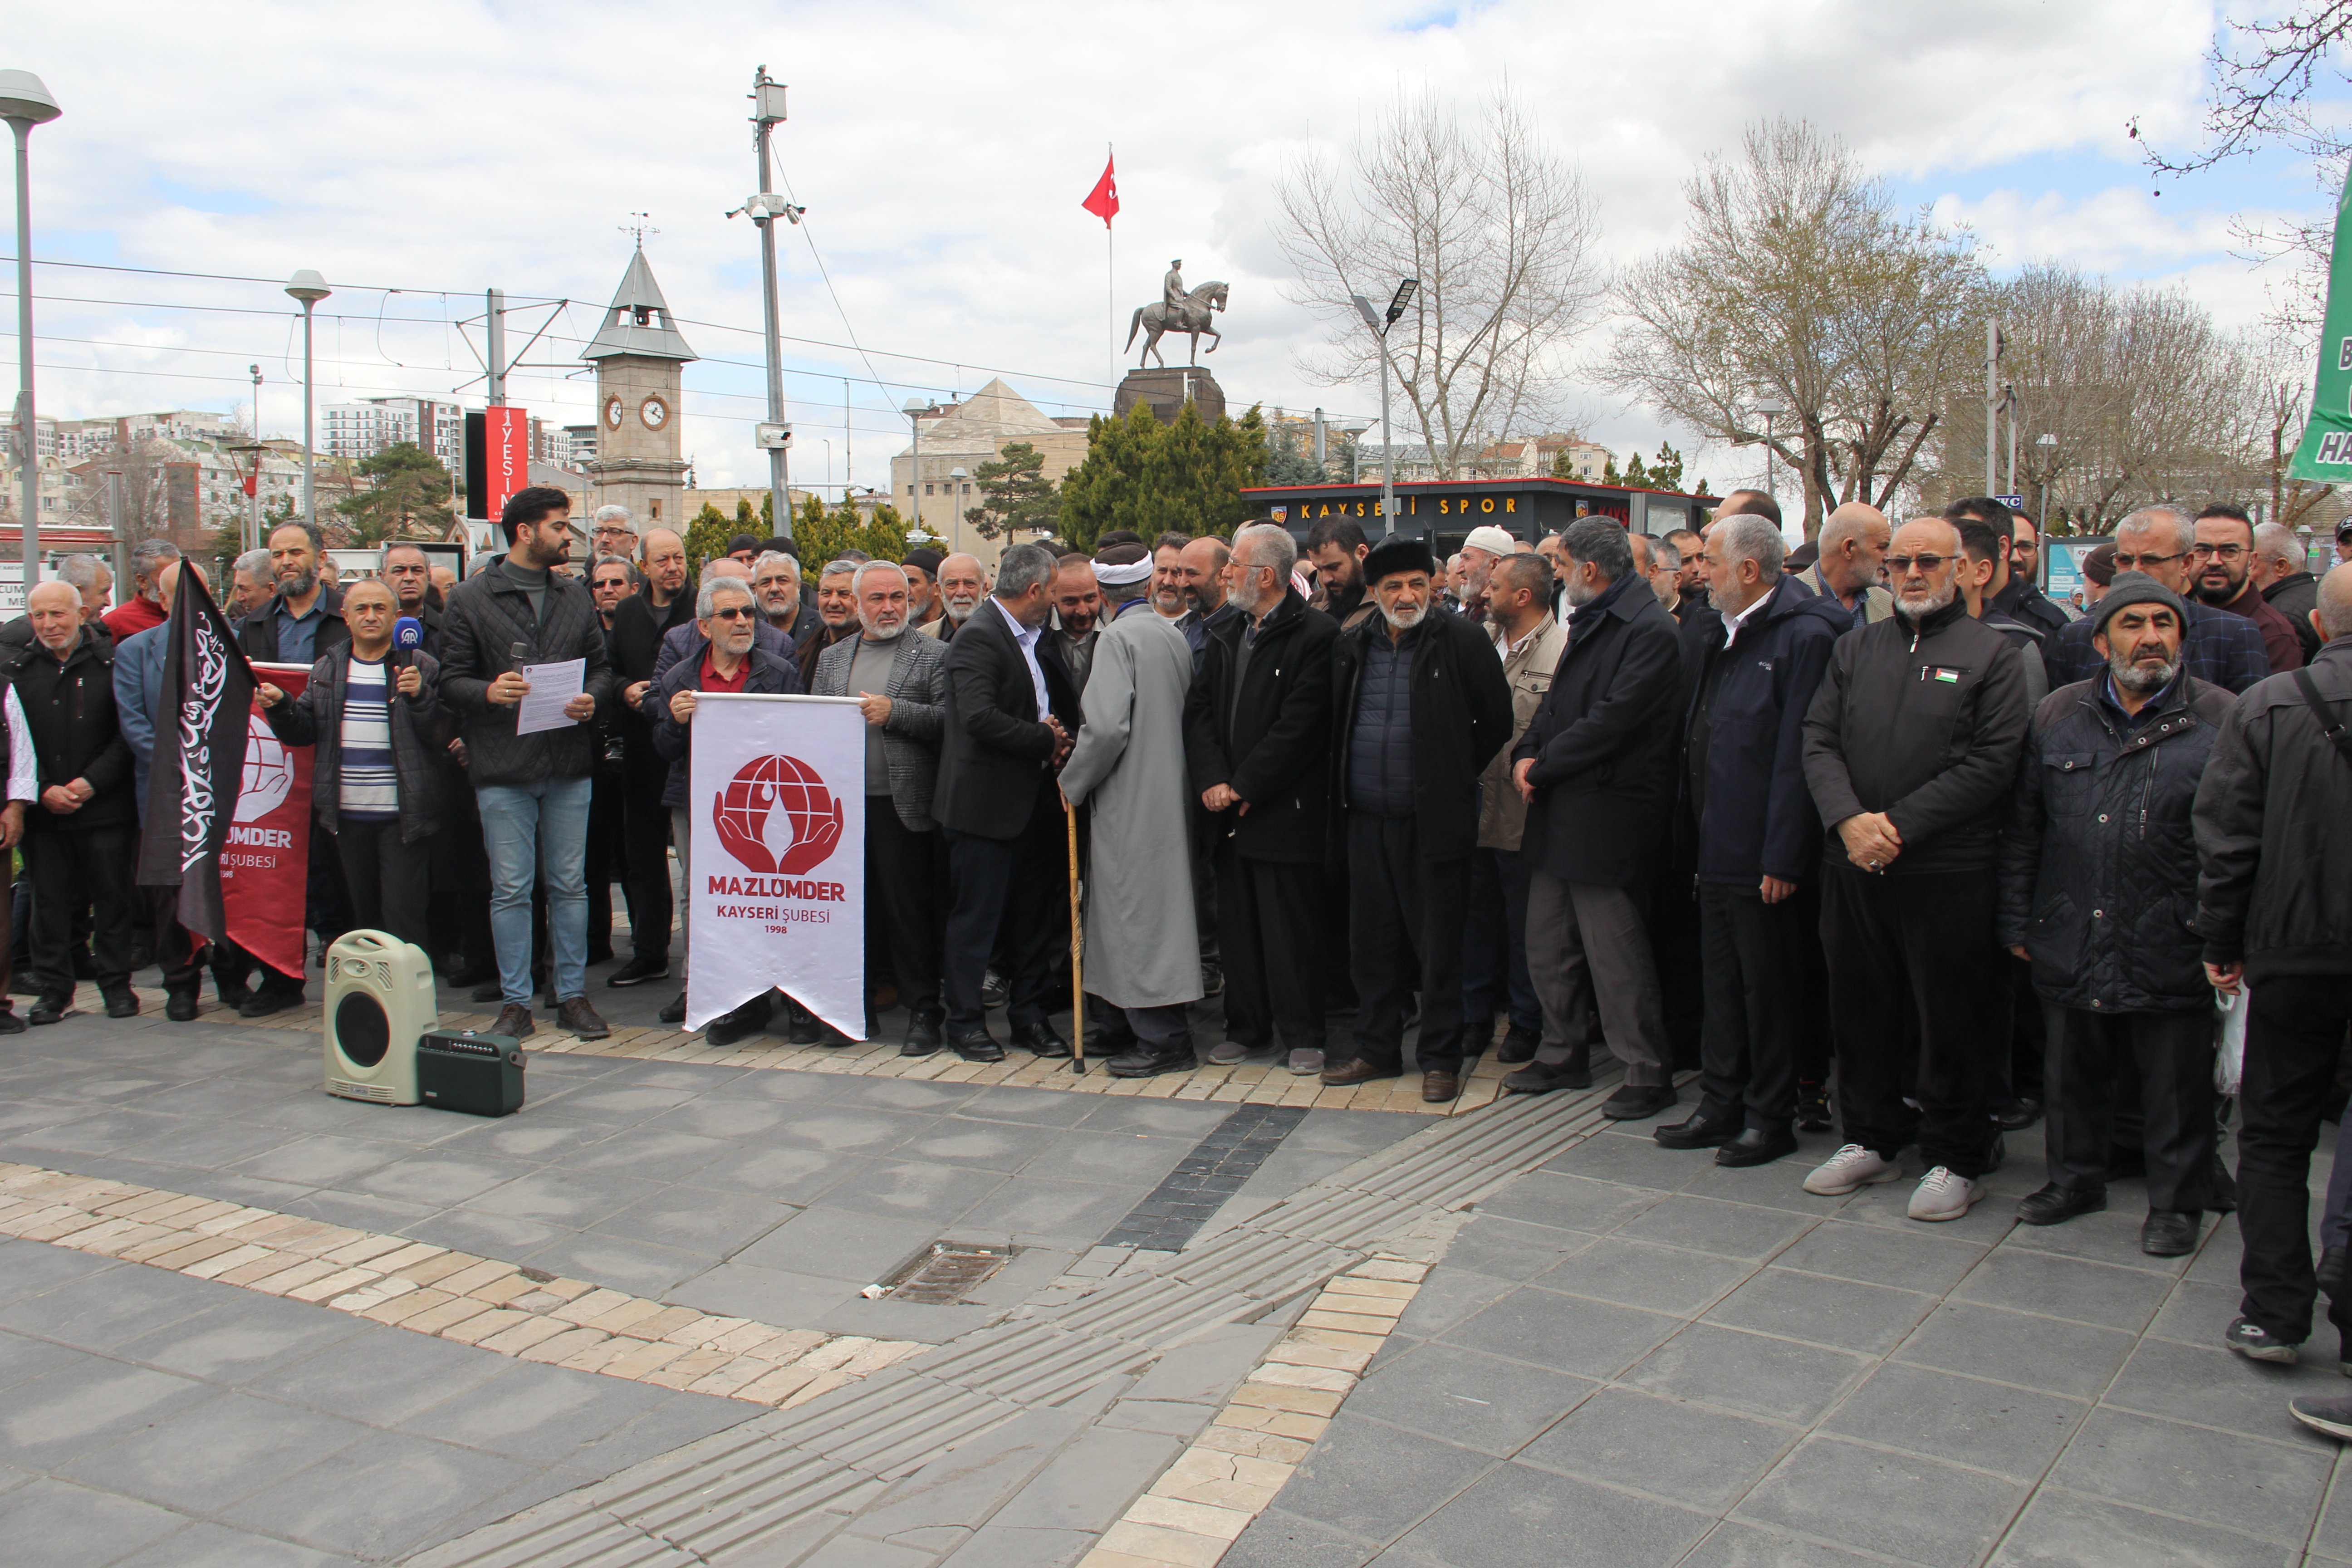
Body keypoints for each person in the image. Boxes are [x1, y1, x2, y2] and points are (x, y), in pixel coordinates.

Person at [1799, 517, 2029, 1220]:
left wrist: (1897, 826)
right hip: (1856, 864)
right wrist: (1847, 819)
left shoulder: (1994, 655)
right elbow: (1818, 738)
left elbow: (1993, 762)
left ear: (1964, 569)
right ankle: (1871, 1135)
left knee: (1951, 1016)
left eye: (1929, 561)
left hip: (1947, 870)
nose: (1912, 574)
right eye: (1899, 562)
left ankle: (1957, 1153)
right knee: (1861, 1007)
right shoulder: (1857, 647)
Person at [1997, 574, 2226, 1255]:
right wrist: (2017, 920)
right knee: (2071, 1073)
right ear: (2101, 640)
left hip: (2173, 929)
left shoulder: (2224, 718)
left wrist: (2222, 929)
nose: (2150, 636)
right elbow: (2024, 828)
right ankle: (2075, 1181)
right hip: (2071, 921)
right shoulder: (2058, 715)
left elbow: (2240, 838)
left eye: (2164, 622)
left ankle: (2177, 1203)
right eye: (2132, 624)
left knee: (2177, 1083)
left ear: (2182, 635)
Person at [2195, 564, 2352, 1388]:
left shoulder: (2267, 705)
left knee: (2272, 1128)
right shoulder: (2268, 704)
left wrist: (2219, 939)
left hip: (2289, 948)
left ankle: (2273, 1308)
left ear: (2319, 627)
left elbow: (2225, 839)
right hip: (2294, 940)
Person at [1653, 515, 1847, 1165]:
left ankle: (1771, 1114)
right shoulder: (1722, 629)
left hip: (1766, 853)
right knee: (1723, 983)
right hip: (1716, 843)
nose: (1697, 571)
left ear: (1748, 569)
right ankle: (1721, 1102)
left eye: (1708, 560)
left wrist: (1784, 853)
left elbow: (1801, 752)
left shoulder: (1806, 634)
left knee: (1769, 990)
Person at [1505, 519, 1685, 1115]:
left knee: (1616, 955)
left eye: (1561, 564)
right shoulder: (1595, 618)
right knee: (1548, 943)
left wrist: (1543, 765)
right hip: (1561, 810)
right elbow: (1558, 706)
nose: (1554, 574)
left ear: (1590, 569)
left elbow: (1615, 720)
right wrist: (1528, 753)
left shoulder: (1649, 630)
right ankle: (1563, 1051)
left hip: (1609, 818)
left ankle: (1645, 1068)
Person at [1326, 535, 1513, 1103]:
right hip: (1365, 817)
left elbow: (1496, 721)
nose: (1406, 596)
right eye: (1393, 587)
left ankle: (1440, 1058)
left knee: (1438, 946)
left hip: (1433, 821)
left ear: (1430, 587)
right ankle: (1376, 1050)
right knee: (1373, 943)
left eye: (1415, 585)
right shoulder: (1354, 644)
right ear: (1375, 592)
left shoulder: (1461, 642)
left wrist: (1451, 771)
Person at [438, 486, 617, 1042]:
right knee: (511, 889)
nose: (569, 536)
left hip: (567, 762)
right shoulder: (471, 599)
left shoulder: (573, 596)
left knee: (570, 886)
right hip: (503, 768)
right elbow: (449, 681)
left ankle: (571, 995)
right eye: (560, 527)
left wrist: (593, 696)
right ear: (526, 532)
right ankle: (516, 1003)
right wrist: (489, 692)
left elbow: (603, 669)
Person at [1187, 524, 1339, 1073]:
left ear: (1266, 576)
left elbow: (1301, 726)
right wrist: (1212, 778)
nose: (1224, 574)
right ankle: (1246, 1028)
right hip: (1225, 811)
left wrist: (1247, 784)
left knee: (1290, 929)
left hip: (1283, 813)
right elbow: (1199, 709)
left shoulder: (1317, 635)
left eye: (1234, 566)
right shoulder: (1227, 629)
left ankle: (1303, 1033)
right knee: (1239, 928)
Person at [933, 542, 1079, 1062]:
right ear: (1036, 590)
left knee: (1035, 922)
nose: (1060, 603)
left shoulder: (1036, 638)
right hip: (984, 811)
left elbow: (1044, 703)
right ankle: (967, 1023)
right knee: (978, 921)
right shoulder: (979, 638)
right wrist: (1046, 740)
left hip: (1035, 804)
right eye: (1056, 592)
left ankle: (1030, 1018)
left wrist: (1058, 736)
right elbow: (978, 717)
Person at [1060, 543, 1201, 1076]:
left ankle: (1163, 1039)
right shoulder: (1172, 633)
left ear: (1100, 596)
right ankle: (1127, 1025)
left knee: (1134, 916)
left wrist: (1071, 783)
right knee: (1148, 915)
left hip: (1130, 798)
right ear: (1147, 585)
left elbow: (1106, 729)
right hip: (1171, 793)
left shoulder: (1117, 640)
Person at [651, 576, 804, 1046]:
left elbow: (799, 739)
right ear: (703, 626)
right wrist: (675, 722)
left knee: (773, 899)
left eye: (748, 613)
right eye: (730, 614)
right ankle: (736, 1000)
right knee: (713, 900)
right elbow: (664, 749)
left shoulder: (779, 671)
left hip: (767, 810)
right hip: (701, 804)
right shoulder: (680, 678)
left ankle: (789, 998)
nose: (743, 622)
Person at [255, 578, 445, 954]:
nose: (371, 617)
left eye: (380, 609)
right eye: (361, 609)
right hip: (346, 816)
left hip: (403, 816)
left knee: (403, 917)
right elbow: (304, 731)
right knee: (363, 920)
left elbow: (440, 735)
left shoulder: (421, 666)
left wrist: (421, 696)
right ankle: (369, 1000)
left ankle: (408, 1000)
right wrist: (280, 706)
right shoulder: (327, 667)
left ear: (396, 617)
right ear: (345, 616)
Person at [812, 561, 949, 1053]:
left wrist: (897, 713)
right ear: (856, 603)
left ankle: (924, 1014)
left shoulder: (935, 654)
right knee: (852, 914)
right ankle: (853, 1009)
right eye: (876, 598)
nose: (889, 606)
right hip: (841, 813)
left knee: (910, 915)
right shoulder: (832, 659)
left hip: (904, 807)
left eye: (897, 596)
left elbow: (950, 721)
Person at [115, 561, 254, 1019]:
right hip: (162, 797)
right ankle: (181, 983)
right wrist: (189, 767)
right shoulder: (136, 651)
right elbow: (135, 724)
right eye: (178, 594)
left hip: (223, 793)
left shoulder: (230, 645)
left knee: (227, 884)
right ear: (161, 599)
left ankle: (233, 978)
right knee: (169, 892)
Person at [9, 580, 135, 1023]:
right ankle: (54, 991)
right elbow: (13, 742)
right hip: (45, 812)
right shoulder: (17, 670)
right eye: (39, 616)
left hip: (104, 807)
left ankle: (118, 987)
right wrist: (41, 788)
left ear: (82, 614)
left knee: (114, 899)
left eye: (58, 614)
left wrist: (89, 784)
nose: (48, 625)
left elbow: (128, 735)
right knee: (49, 905)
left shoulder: (113, 664)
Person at [1464, 552, 1564, 1067]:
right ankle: (1476, 1016)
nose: (1485, 593)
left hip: (1526, 816)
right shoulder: (1480, 641)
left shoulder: (1564, 649)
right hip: (1476, 808)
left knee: (1529, 927)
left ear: (1523, 597)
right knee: (1475, 921)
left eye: (1496, 586)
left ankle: (1526, 1022)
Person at [603, 525, 696, 990]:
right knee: (642, 858)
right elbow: (609, 669)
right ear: (644, 567)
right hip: (641, 749)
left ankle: (699, 960)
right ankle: (649, 952)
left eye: (678, 558)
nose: (673, 567)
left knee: (695, 862)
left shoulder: (703, 609)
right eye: (662, 560)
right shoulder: (627, 613)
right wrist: (624, 690)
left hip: (689, 751)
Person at [2044, 506, 2269, 693]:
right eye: (2125, 560)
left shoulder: (2231, 635)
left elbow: (2249, 728)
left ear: (2186, 564)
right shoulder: (2078, 637)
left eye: (2151, 560)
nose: (2135, 571)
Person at [2194, 504, 2304, 675]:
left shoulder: (2274, 635)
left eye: (2229, 551)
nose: (2214, 561)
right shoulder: (2173, 619)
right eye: (2203, 550)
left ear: (2252, 561)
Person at [238, 522, 347, 663]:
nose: (286, 562)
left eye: (296, 553)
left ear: (321, 559)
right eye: (278, 555)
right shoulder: (253, 625)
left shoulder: (349, 618)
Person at [1795, 503, 1894, 628]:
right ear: (1848, 548)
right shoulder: (1785, 600)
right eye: (1882, 547)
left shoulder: (1888, 605)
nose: (1888, 557)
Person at [2253, 520, 2326, 663]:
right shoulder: (2321, 594)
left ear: (2281, 566)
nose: (2245, 572)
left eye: (2251, 563)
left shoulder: (2280, 615)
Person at [1999, 510, 2074, 632]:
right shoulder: (1966, 614)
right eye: (2004, 547)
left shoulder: (2058, 623)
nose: (2016, 558)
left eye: (2026, 547)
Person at [1305, 518, 1376, 632]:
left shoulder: (1389, 605)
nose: (1326, 579)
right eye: (1320, 569)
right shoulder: (1314, 603)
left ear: (1362, 554)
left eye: (1333, 567)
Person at [798, 559, 861, 685]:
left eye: (844, 594)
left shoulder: (870, 645)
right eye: (826, 594)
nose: (833, 602)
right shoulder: (810, 645)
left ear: (860, 599)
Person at [103, 538, 179, 642]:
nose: (177, 582)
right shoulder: (115, 624)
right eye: (166, 576)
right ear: (143, 581)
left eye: (181, 574)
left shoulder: (197, 616)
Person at [1048, 554, 1102, 691]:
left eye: (1090, 598)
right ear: (1053, 597)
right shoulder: (1035, 638)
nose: (1083, 611)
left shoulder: (1117, 631)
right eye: (1071, 601)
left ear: (1101, 593)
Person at [381, 543, 442, 653]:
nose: (409, 578)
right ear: (383, 577)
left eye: (417, 571)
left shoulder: (448, 628)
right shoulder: (367, 628)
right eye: (399, 571)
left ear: (429, 577)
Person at [1455, 525, 1516, 624]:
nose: (1458, 569)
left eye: (1467, 558)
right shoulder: (1467, 615)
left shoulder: (1506, 620)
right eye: (1461, 558)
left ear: (1495, 565)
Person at [921, 553, 987, 641]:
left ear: (984, 589)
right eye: (952, 584)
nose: (961, 592)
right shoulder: (924, 637)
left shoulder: (1004, 635)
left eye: (970, 584)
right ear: (940, 591)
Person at [751, 550, 808, 647]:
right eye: (765, 582)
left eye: (783, 581)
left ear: (798, 586)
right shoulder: (751, 635)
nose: (774, 589)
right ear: (755, 590)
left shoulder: (823, 629)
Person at [1150, 534, 1191, 619]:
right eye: (1162, 571)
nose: (1167, 582)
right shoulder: (1133, 619)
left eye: (1176, 573)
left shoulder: (1204, 625)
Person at [902, 547, 943, 629]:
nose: (906, 592)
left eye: (913, 582)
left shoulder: (955, 628)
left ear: (937, 588)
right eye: (903, 583)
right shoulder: (895, 630)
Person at [228, 548, 274, 621]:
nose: (239, 598)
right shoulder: (241, 628)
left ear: (272, 590)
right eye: (239, 588)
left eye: (245, 589)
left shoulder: (290, 628)